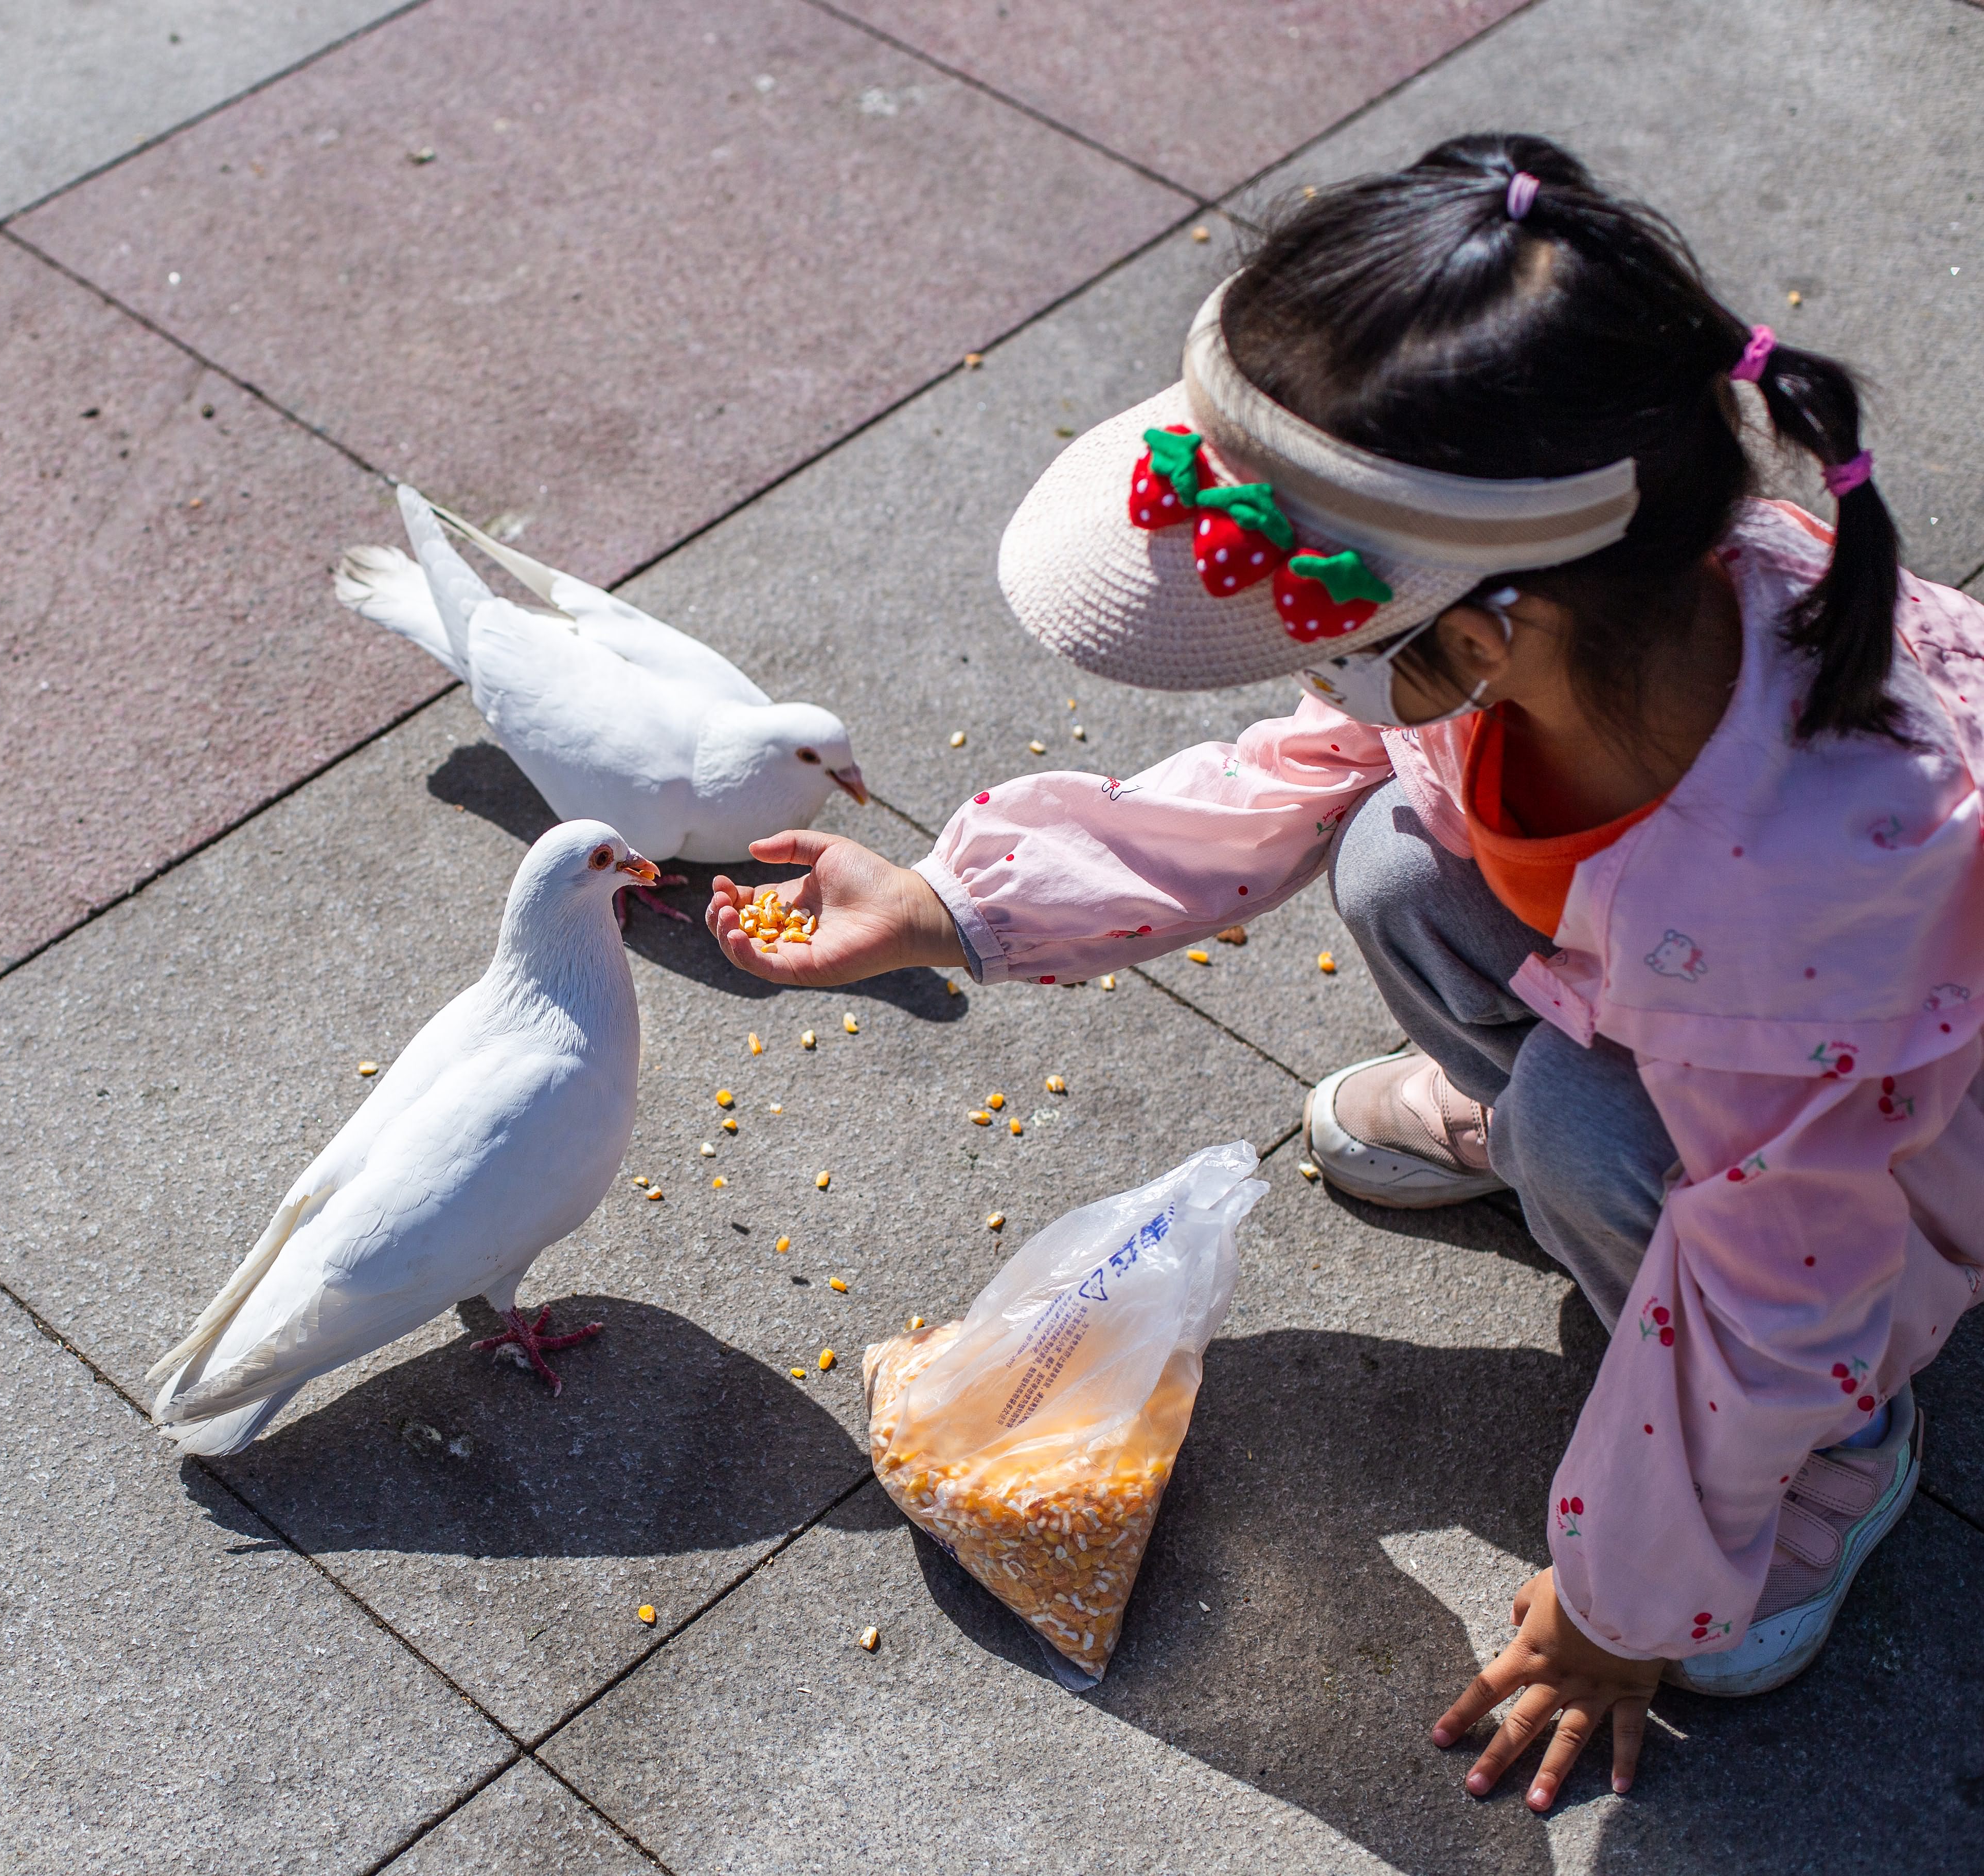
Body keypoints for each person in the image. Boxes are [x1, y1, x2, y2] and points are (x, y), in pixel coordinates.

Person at [704, 134, 1983, 1813]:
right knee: (1391, 847)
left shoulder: (1809, 902)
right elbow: (1297, 777)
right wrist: (953, 901)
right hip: (1675, 993)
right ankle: (1532, 1120)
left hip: (1873, 1161)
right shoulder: (1599, 617)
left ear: (1468, 642)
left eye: (1320, 641)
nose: (1314, 682)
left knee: (1604, 1140)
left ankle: (1839, 1448)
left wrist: (1617, 1610)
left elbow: (1778, 1277)